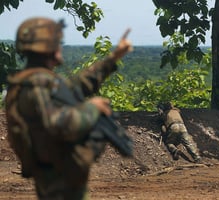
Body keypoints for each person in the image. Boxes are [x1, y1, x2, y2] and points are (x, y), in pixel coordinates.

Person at [5, 17, 132, 200]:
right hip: (58, 182)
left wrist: (114, 57)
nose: (61, 47)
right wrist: (92, 108)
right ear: (50, 47)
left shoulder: (35, 81)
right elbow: (60, 125)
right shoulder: (37, 85)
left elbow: (76, 87)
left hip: (57, 175)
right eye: (59, 42)